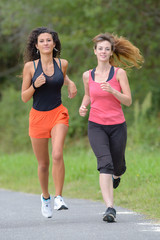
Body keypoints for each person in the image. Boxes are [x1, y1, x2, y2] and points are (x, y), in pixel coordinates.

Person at [79, 33, 143, 222]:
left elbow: (128, 101)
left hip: (117, 126)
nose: (103, 52)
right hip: (96, 125)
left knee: (118, 166)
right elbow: (88, 95)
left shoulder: (119, 73)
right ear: (95, 51)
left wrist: (113, 91)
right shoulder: (87, 75)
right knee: (104, 164)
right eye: (100, 48)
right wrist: (83, 106)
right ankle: (110, 208)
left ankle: (117, 174)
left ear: (111, 51)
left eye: (107, 48)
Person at [21, 27, 77, 218]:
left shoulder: (62, 63)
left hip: (57, 114)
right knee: (43, 164)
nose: (46, 43)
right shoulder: (30, 67)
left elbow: (61, 77)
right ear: (36, 45)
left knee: (57, 153)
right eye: (42, 41)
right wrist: (34, 86)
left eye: (49, 40)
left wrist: (71, 83)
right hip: (37, 117)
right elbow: (24, 97)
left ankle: (59, 197)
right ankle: (45, 197)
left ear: (54, 44)